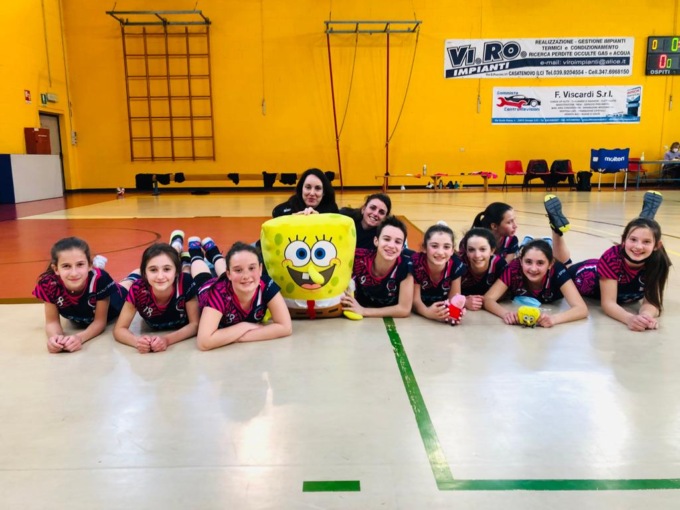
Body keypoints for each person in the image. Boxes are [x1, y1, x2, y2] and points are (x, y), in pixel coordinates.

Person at [551, 191, 671, 332]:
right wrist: (630, 318)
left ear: (657, 246)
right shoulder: (612, 258)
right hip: (585, 273)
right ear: (623, 241)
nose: (639, 246)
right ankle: (556, 230)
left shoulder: (658, 262)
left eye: (646, 241)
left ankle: (644, 222)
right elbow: (608, 303)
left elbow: (652, 302)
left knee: (642, 231)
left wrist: (645, 316)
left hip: (610, 268)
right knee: (562, 267)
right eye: (633, 239)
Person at [33, 237, 129, 353]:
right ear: (56, 269)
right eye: (66, 266)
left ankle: (134, 274)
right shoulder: (48, 284)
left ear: (89, 265)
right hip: (81, 314)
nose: (74, 273)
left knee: (127, 285)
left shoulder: (100, 279)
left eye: (80, 264)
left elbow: (99, 322)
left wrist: (79, 338)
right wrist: (55, 338)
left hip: (114, 302)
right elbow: (52, 322)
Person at [195, 240, 292, 350]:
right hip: (207, 287)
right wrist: (245, 326)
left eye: (251, 268)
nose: (246, 275)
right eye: (238, 270)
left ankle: (214, 252)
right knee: (202, 277)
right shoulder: (218, 293)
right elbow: (204, 342)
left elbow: (286, 327)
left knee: (236, 273)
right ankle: (193, 254)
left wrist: (240, 337)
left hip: (233, 283)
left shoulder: (265, 285)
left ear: (260, 269)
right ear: (228, 274)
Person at [113, 239, 199, 353]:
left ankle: (186, 260)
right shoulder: (138, 289)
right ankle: (178, 249)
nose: (160, 276)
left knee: (188, 271)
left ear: (176, 272)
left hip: (182, 277)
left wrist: (167, 340)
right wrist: (137, 341)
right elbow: (119, 329)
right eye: (153, 270)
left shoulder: (185, 283)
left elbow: (195, 325)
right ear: (144, 273)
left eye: (167, 269)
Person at [483, 237, 589, 328]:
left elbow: (582, 309)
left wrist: (554, 319)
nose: (533, 269)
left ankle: (547, 241)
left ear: (550, 264)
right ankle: (526, 244)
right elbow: (488, 299)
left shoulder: (557, 270)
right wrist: (506, 314)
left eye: (540, 263)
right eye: (528, 262)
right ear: (521, 261)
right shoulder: (514, 268)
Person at [341, 216, 414, 318]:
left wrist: (364, 311)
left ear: (402, 247)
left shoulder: (406, 266)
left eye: (397, 242)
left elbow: (404, 309)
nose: (391, 246)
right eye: (386, 239)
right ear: (376, 241)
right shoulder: (358, 257)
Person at [411, 222, 465, 322]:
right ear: (424, 248)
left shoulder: (456, 265)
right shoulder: (415, 263)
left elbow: (453, 299)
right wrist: (427, 312)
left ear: (452, 250)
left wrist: (453, 312)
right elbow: (415, 301)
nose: (440, 252)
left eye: (446, 247)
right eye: (434, 246)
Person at [458, 227, 508, 311]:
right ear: (466, 251)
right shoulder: (458, 265)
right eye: (471, 250)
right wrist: (464, 301)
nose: (477, 255)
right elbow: (446, 295)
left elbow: (506, 293)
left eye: (482, 249)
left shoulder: (499, 265)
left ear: (492, 251)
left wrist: (485, 300)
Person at [272, 168, 339, 217]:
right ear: (301, 189)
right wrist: (292, 218)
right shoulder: (293, 203)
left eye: (317, 188)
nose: (312, 193)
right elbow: (276, 212)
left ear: (324, 192)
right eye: (308, 187)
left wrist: (319, 217)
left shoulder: (331, 209)